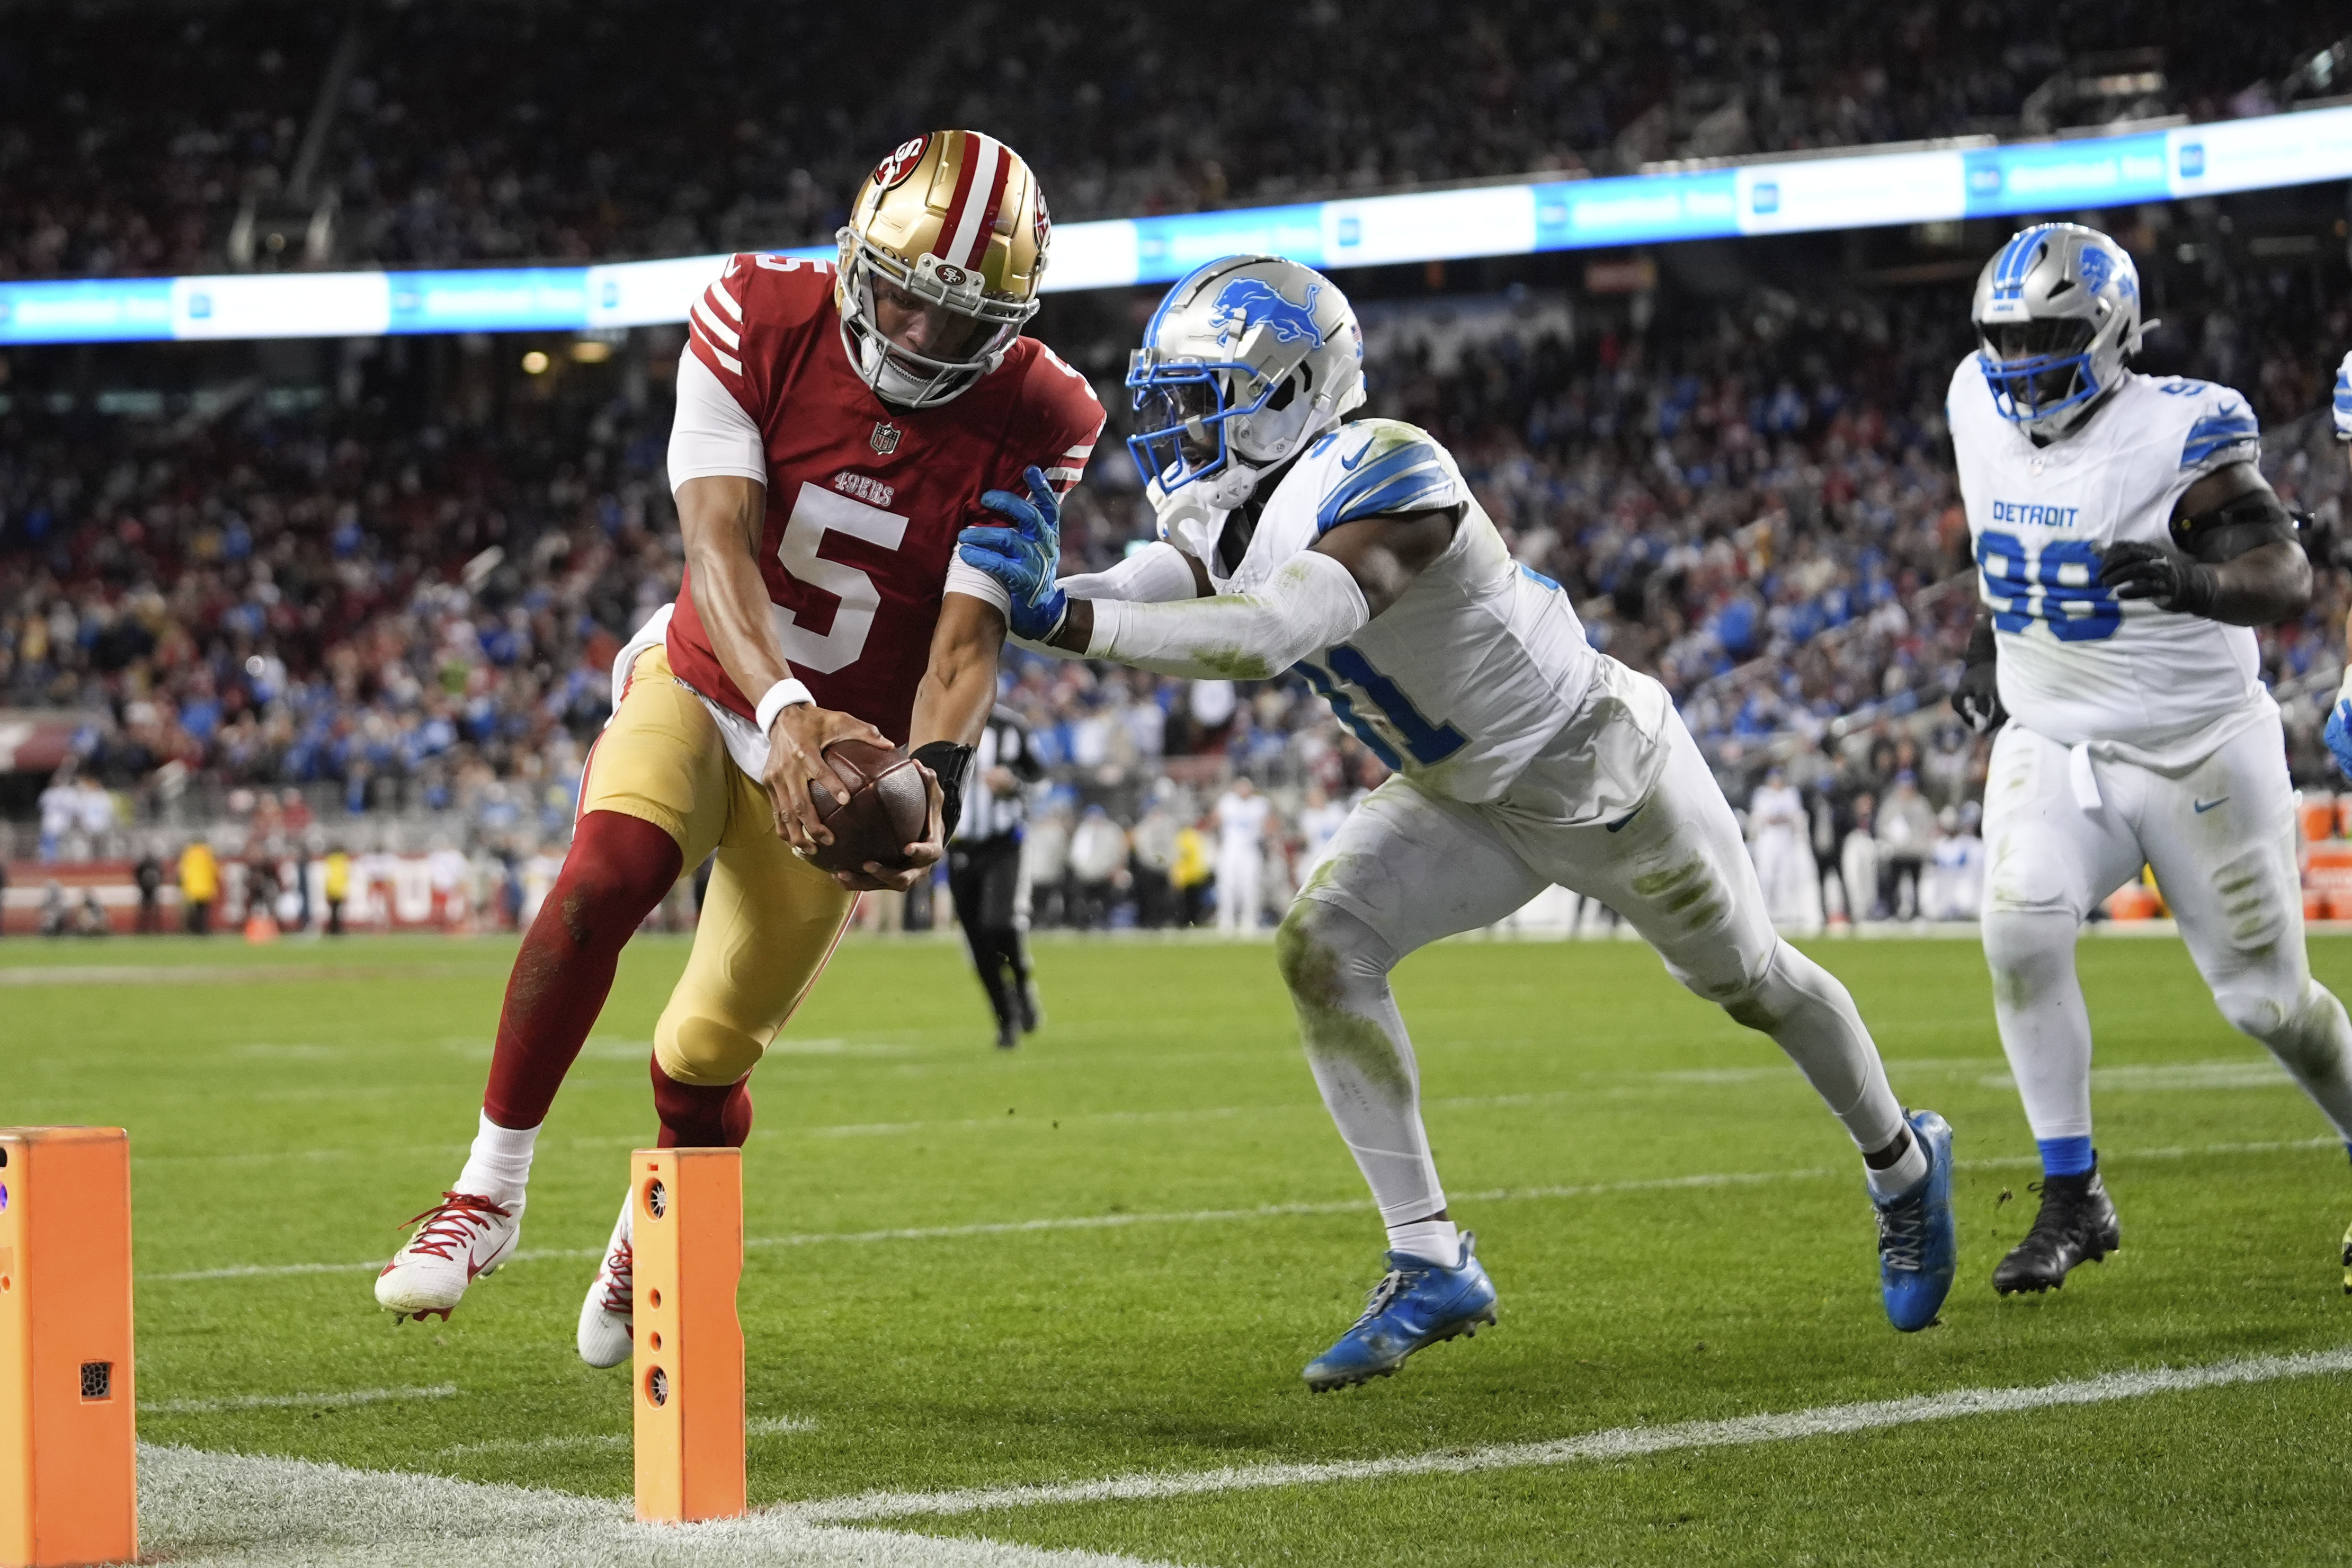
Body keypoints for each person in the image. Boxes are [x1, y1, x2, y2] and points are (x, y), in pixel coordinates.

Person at [960, 253, 1953, 1389]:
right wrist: (1041, 598)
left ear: (1292, 389)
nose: (1181, 429)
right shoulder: (1233, 502)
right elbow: (1172, 575)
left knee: (1755, 984)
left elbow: (1271, 631)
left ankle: (1902, 1164)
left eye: (1204, 399)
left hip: (1599, 773)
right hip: (1463, 797)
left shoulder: (1391, 469)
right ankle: (1431, 1258)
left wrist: (1065, 622)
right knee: (1323, 946)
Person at [373, 131, 1102, 1378]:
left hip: (848, 756)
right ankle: (487, 1188)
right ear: (853, 256)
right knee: (602, 876)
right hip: (715, 681)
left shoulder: (1047, 411)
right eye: (904, 296)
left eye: (959, 318)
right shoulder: (756, 312)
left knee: (707, 1053)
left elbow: (965, 636)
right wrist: (781, 713)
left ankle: (648, 1224)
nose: (922, 335)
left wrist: (935, 777)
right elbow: (717, 543)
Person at [1951, 222, 2352, 1297]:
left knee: (2268, 1004)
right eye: (2006, 336)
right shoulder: (1971, 403)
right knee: (2019, 925)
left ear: (2108, 331)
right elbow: (2004, 546)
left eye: (2044, 336)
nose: (2019, 359)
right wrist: (1988, 649)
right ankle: (2072, 1194)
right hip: (2055, 737)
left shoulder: (2179, 428)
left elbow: (2286, 574)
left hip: (2196, 750)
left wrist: (2193, 583)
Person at [950, 702, 1045, 1048]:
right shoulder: (941, 720)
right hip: (958, 847)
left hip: (1003, 843)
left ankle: (1021, 984)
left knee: (999, 923)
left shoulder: (1012, 727)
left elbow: (1041, 778)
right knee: (976, 939)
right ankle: (1005, 1018)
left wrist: (1014, 784)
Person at [1746, 766, 1821, 934]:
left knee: (1786, 878)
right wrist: (1780, 819)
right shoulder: (1762, 795)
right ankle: (1763, 914)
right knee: (1766, 877)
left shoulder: (1790, 794)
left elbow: (1795, 817)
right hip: (1768, 841)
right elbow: (1763, 818)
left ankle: (1786, 914)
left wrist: (1780, 819)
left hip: (1786, 841)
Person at [1873, 770, 1937, 920]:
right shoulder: (1891, 805)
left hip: (1916, 851)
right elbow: (1882, 826)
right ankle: (1893, 911)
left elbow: (1929, 826)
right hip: (1897, 852)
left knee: (1917, 884)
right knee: (1894, 884)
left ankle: (1917, 912)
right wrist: (1890, 838)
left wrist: (1925, 845)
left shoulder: (1921, 804)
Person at [1212, 777, 1270, 933]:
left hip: (1250, 849)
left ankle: (1250, 920)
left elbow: (1269, 824)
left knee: (1250, 886)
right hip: (1230, 848)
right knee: (1226, 885)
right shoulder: (1228, 802)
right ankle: (1226, 920)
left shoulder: (1259, 804)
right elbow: (1215, 820)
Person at [1065, 804, 1128, 929]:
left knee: (1106, 900)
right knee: (1084, 901)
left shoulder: (1112, 831)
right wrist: (1079, 869)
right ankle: (1085, 924)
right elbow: (1075, 854)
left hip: (1106, 874)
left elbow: (1121, 852)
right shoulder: (1083, 831)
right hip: (1085, 874)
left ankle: (1105, 923)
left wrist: (1116, 869)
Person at [179, 838, 218, 936]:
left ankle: (192, 929)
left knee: (193, 910)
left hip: (191, 887)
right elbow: (214, 869)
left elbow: (183, 870)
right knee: (203, 911)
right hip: (205, 886)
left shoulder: (188, 853)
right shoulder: (207, 852)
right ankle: (201, 929)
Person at [133, 844, 164, 934]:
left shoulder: (143, 863)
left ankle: (143, 928)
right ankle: (156, 928)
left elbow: (137, 873)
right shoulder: (155, 863)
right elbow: (161, 873)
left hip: (145, 888)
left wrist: (141, 884)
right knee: (153, 909)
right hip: (152, 888)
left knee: (145, 909)